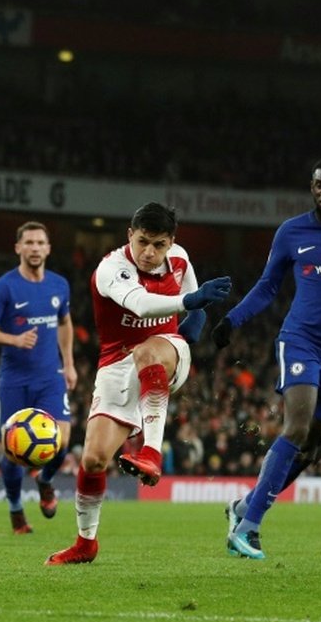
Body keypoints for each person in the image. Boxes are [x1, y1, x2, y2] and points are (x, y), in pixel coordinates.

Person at [212, 157, 321, 560]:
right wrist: (231, 320)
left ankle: (243, 507)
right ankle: (249, 529)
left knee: (311, 448)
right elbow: (267, 286)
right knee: (296, 427)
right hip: (300, 340)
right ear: (311, 188)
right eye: (319, 185)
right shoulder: (292, 231)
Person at [47, 202, 231, 565]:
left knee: (149, 352)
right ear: (129, 234)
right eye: (143, 241)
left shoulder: (179, 258)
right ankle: (86, 543)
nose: (149, 252)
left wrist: (186, 342)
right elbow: (142, 305)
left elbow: (195, 309)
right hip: (116, 362)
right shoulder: (111, 268)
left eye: (158, 244)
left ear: (171, 242)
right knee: (94, 459)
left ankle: (151, 451)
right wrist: (191, 301)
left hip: (165, 352)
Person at [0, 221, 77, 534]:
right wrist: (15, 340)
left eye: (40, 243)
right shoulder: (5, 287)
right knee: (12, 452)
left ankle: (45, 481)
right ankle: (16, 509)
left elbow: (65, 324)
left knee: (62, 442)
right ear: (18, 248)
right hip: (15, 381)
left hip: (49, 377)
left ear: (48, 248)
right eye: (28, 243)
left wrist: (69, 363)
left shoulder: (59, 285)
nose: (34, 248)